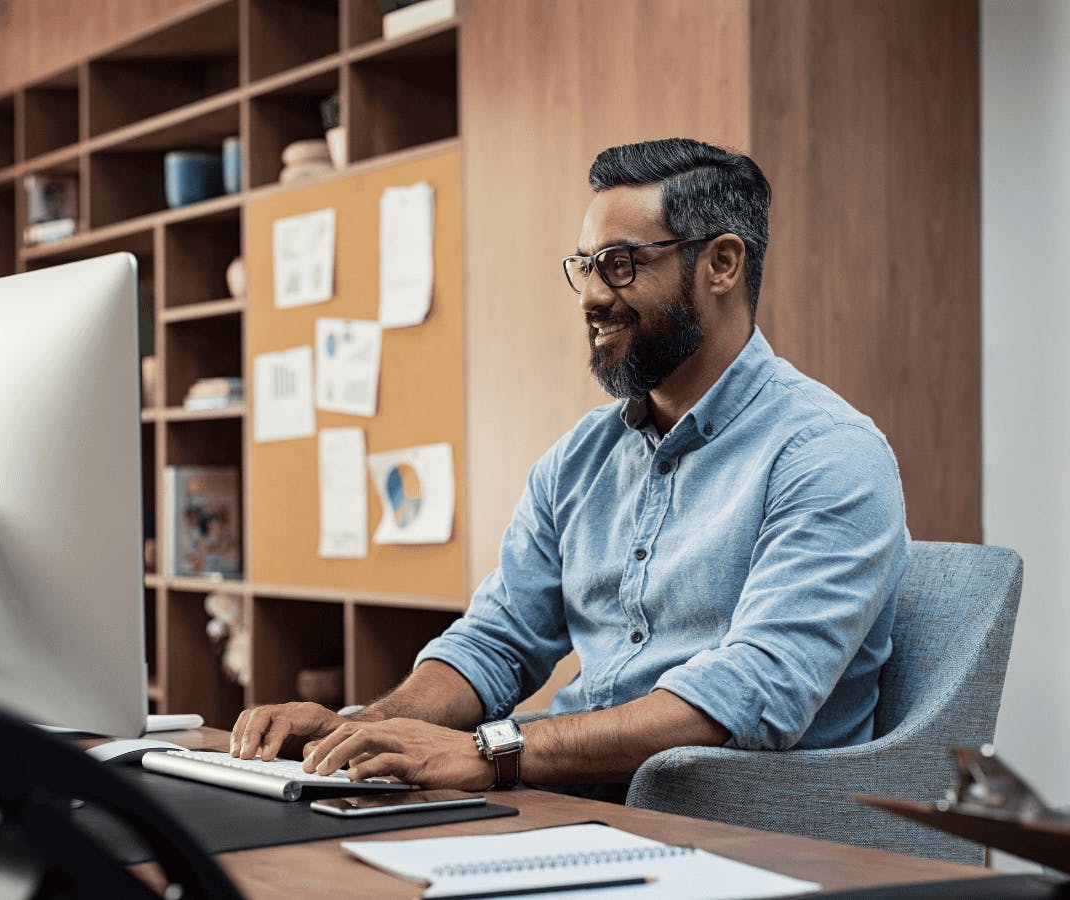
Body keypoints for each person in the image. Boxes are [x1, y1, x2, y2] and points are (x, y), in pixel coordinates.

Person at [230, 138, 908, 796]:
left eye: (619, 263)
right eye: (583, 266)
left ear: (722, 264)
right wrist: (367, 728)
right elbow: (497, 642)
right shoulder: (578, 460)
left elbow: (748, 696)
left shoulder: (829, 455)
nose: (589, 296)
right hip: (572, 802)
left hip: (736, 832)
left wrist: (493, 753)